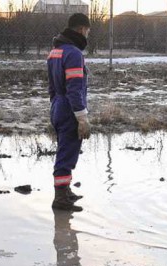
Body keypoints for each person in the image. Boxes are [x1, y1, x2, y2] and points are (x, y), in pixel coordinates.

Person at [47, 13, 92, 212]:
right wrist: (81, 117)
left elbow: (51, 86)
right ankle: (60, 198)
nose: (88, 34)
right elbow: (74, 88)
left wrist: (55, 105)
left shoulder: (55, 51)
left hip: (57, 105)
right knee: (67, 153)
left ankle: (65, 191)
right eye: (88, 30)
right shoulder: (73, 54)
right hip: (68, 109)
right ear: (82, 29)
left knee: (65, 148)